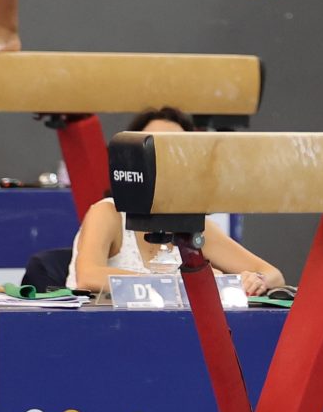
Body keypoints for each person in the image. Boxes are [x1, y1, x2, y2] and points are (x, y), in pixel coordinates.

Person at [73, 108, 283, 292]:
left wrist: (252, 281)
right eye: (155, 146)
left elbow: (273, 275)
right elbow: (88, 277)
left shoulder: (191, 226)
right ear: (133, 158)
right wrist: (176, 284)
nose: (164, 156)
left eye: (174, 148)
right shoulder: (108, 214)